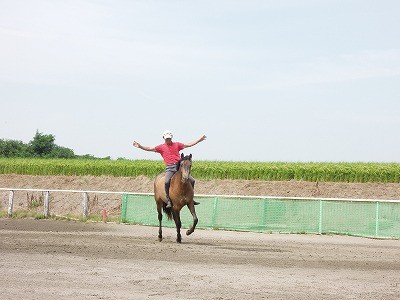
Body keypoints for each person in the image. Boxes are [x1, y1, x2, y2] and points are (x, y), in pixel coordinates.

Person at [133, 130, 207, 208]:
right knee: (167, 181)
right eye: (166, 138)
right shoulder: (161, 147)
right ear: (164, 138)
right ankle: (168, 200)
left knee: (192, 180)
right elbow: (150, 148)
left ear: (171, 138)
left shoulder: (177, 145)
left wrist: (199, 140)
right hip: (170, 168)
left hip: (179, 167)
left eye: (169, 138)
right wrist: (140, 146)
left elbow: (188, 144)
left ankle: (190, 198)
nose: (168, 140)